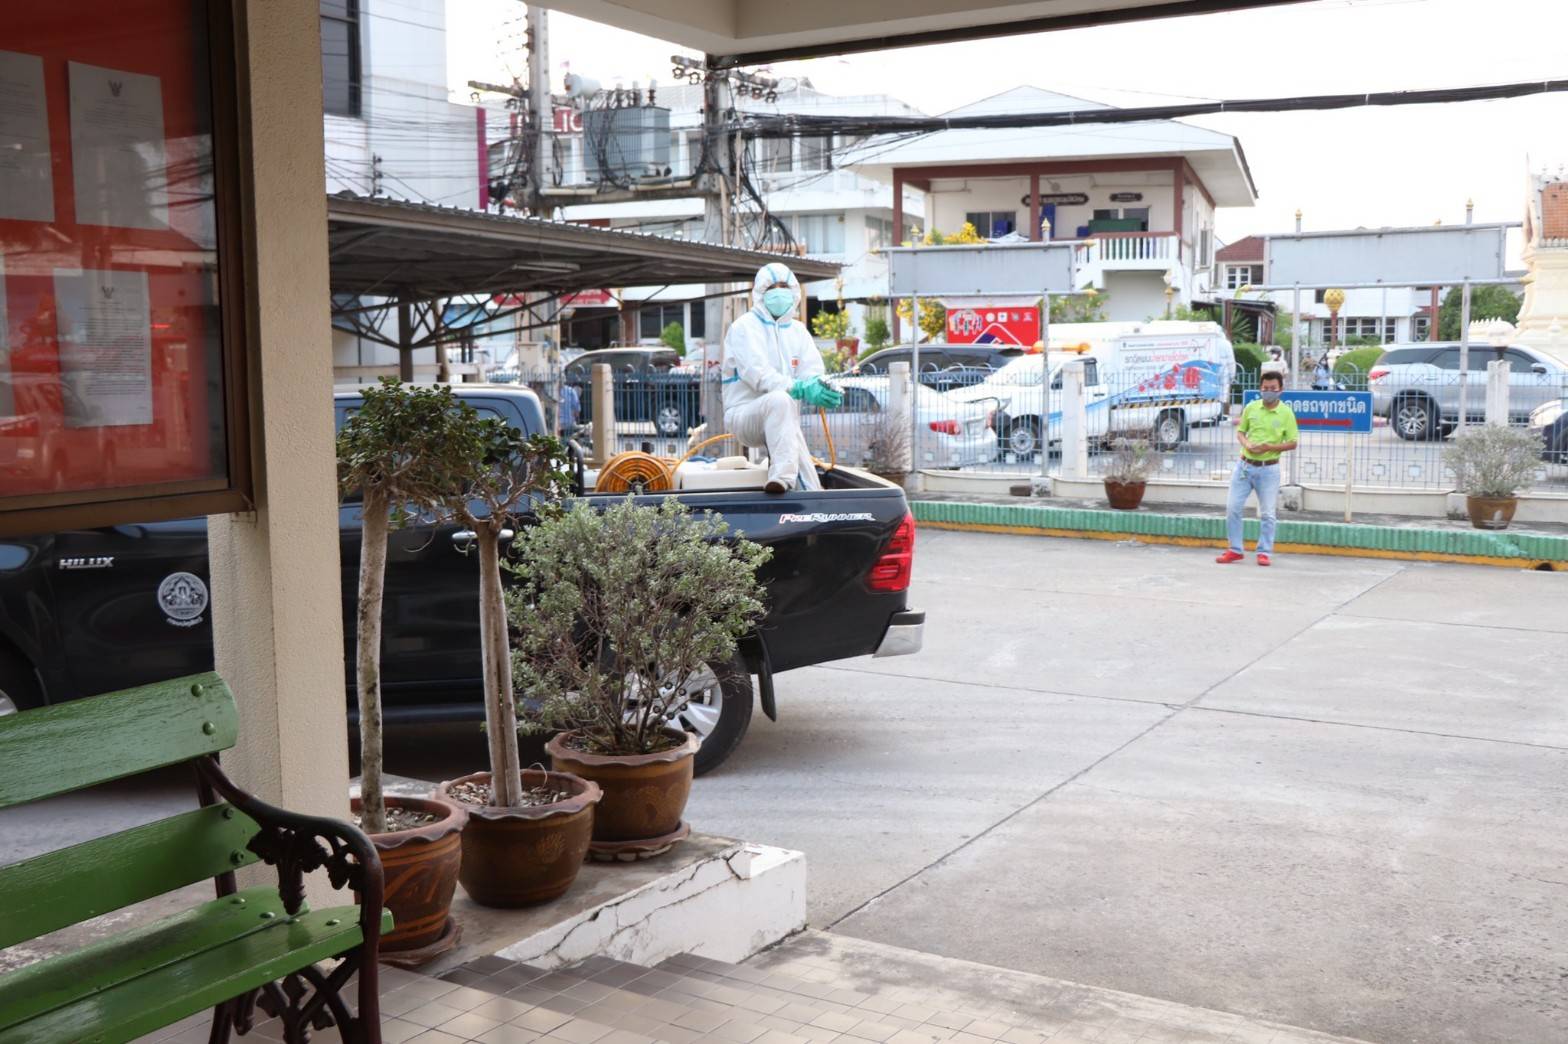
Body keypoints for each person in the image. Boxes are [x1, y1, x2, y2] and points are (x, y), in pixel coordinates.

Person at [722, 262, 842, 494]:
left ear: (794, 291)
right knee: (780, 400)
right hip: (744, 415)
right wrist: (799, 388)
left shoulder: (798, 331)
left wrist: (820, 387)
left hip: (784, 417)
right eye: (771, 288)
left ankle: (812, 496)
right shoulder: (744, 327)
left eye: (784, 287)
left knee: (790, 427)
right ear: (760, 293)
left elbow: (812, 371)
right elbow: (758, 374)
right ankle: (782, 479)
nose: (778, 293)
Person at [1218, 369, 1298, 567]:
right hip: (1245, 466)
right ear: (1260, 389)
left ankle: (1264, 551)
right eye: (1265, 388)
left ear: (1281, 390)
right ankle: (1235, 550)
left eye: (1273, 388)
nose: (1268, 391)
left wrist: (1269, 447)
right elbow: (1241, 432)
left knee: (1268, 513)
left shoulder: (1286, 413)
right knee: (1233, 508)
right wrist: (1246, 444)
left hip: (1269, 469)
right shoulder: (1251, 408)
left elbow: (1292, 442)